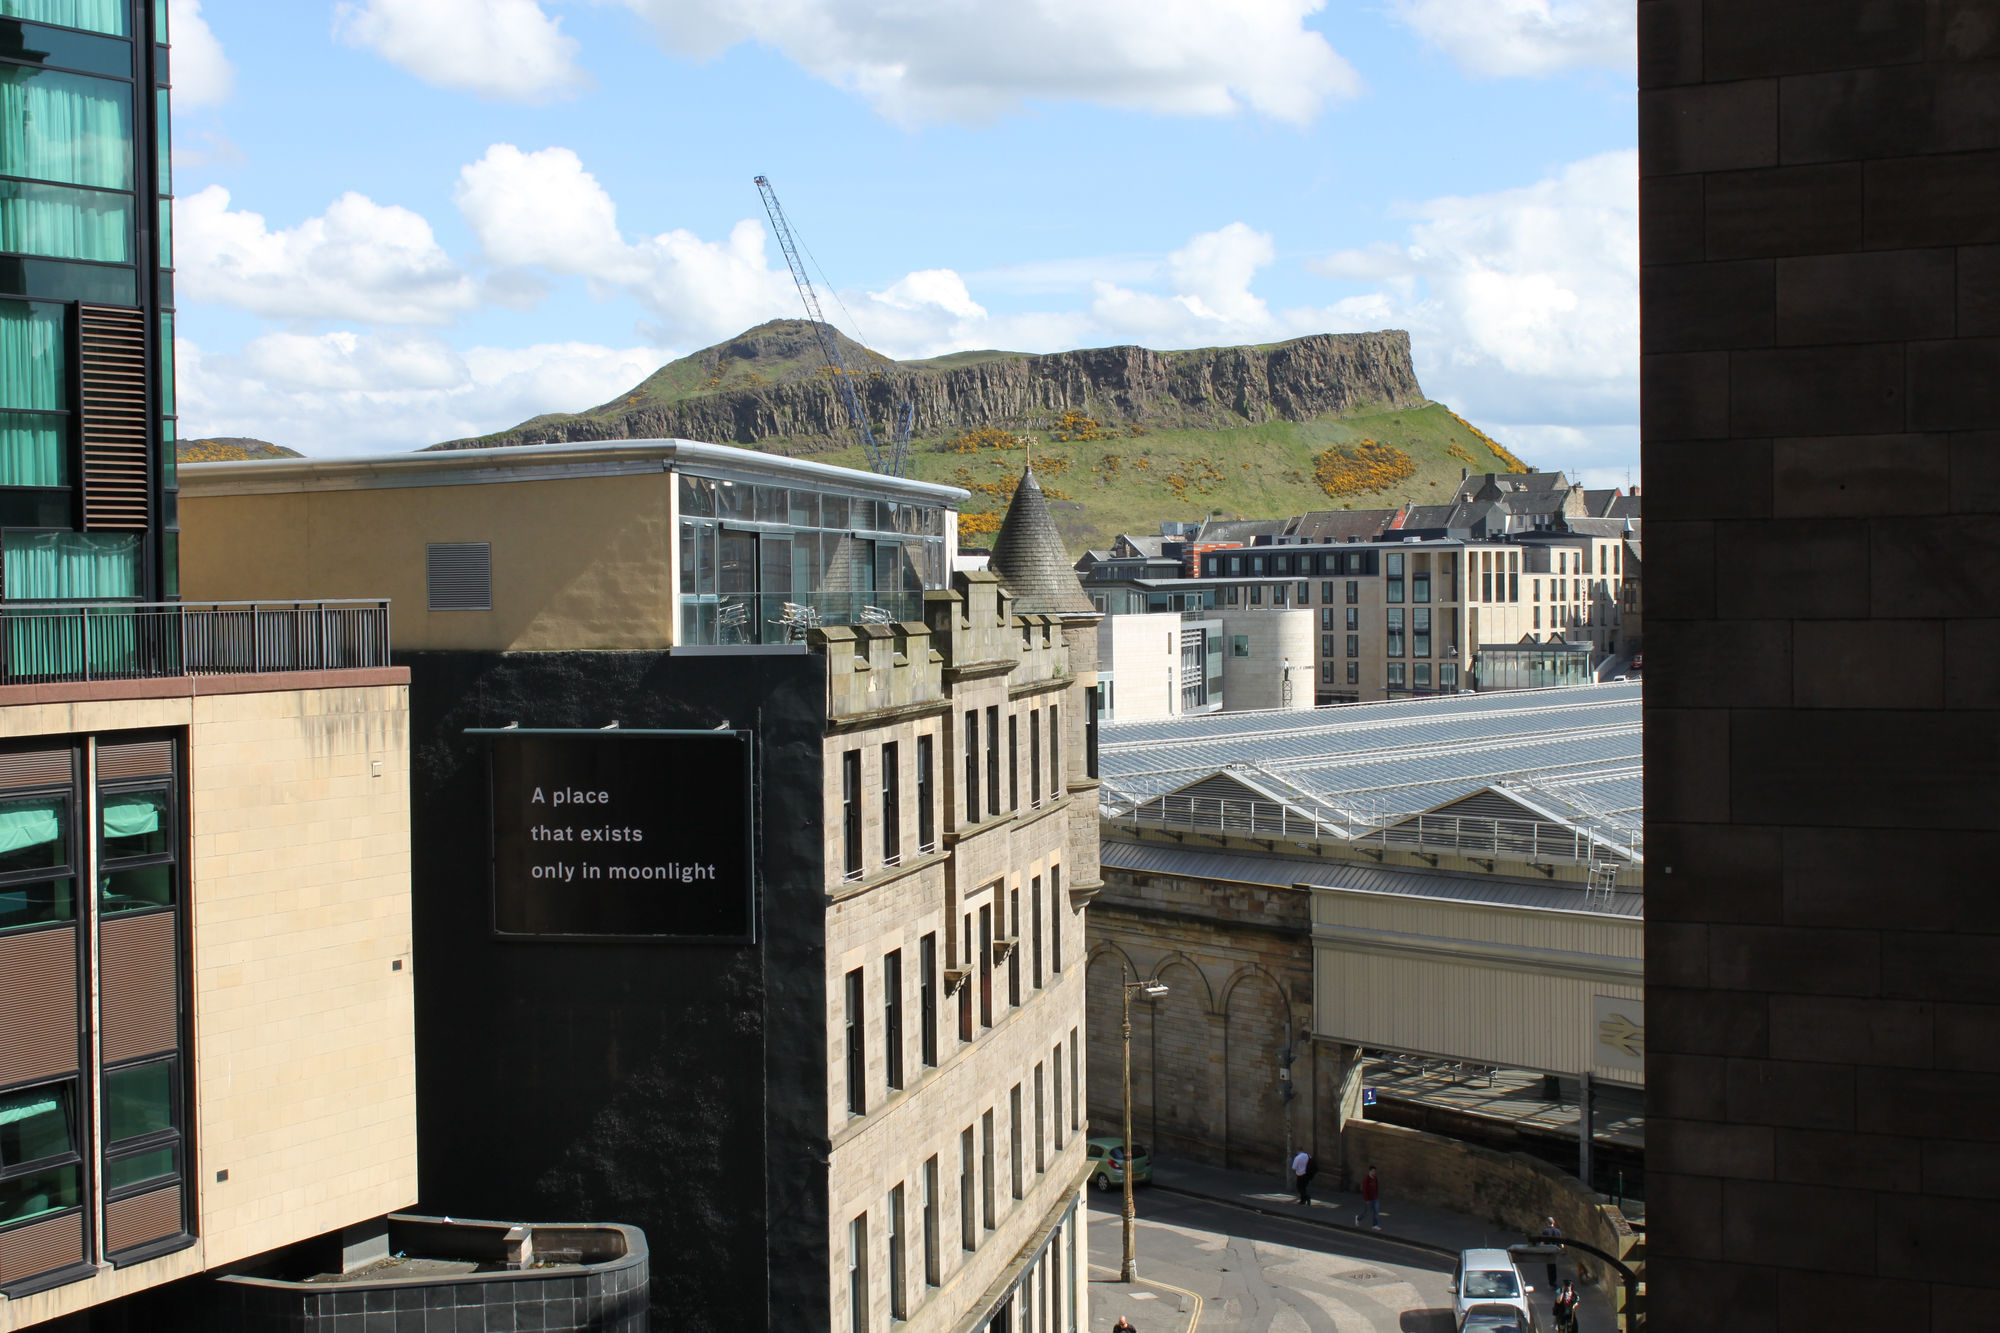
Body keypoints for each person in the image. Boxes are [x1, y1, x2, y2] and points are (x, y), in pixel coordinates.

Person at [1540, 1216, 1563, 1290]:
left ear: (1547, 1223)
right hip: (1555, 1251)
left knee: (1549, 1267)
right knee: (1554, 1267)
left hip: (1548, 1251)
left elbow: (1542, 1243)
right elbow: (1561, 1245)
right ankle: (1554, 1282)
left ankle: (1551, 1284)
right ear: (1554, 1222)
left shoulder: (1545, 1231)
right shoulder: (1558, 1231)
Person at [1355, 1165, 1381, 1230]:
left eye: (1375, 1171)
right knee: (1367, 1213)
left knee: (1376, 1212)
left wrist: (1376, 1195)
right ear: (1370, 1171)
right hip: (1369, 1199)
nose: (1374, 1172)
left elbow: (1376, 1187)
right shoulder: (1366, 1179)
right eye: (1373, 1171)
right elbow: (1364, 1190)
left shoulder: (1375, 1179)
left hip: (1375, 1198)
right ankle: (1358, 1218)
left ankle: (1375, 1225)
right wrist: (1366, 1199)